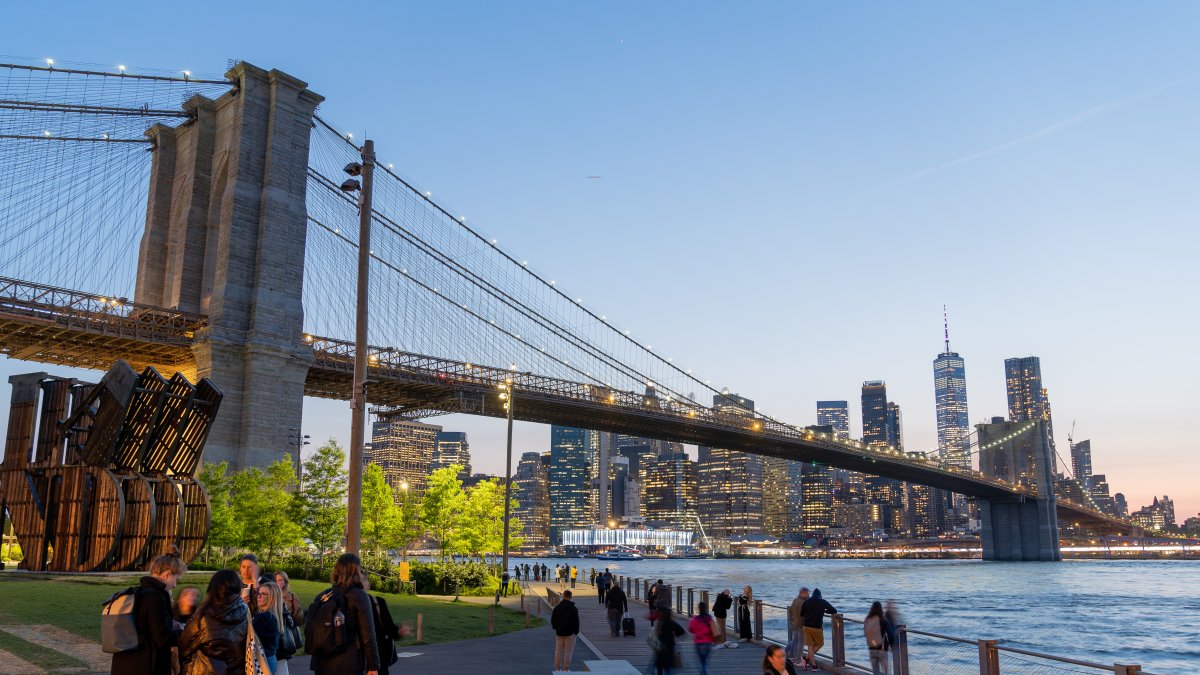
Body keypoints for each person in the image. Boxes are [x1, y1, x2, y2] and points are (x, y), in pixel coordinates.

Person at [111, 545, 186, 675]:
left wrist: (170, 625)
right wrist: (184, 633)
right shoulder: (156, 597)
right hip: (146, 666)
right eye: (176, 580)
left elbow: (146, 627)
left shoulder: (139, 592)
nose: (175, 585)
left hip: (125, 663)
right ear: (167, 574)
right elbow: (162, 638)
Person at [307, 553, 380, 675]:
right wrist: (373, 665)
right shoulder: (359, 596)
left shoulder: (323, 596)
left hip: (321, 663)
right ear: (356, 571)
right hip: (349, 663)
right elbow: (367, 634)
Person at [179, 569, 249, 675]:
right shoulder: (245, 611)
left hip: (204, 670)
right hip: (236, 670)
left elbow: (184, 644)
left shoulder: (204, 615)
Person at [364, 573, 408, 675]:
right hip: (356, 662)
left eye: (364, 579)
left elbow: (389, 629)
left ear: (368, 585)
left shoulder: (378, 602)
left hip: (379, 659)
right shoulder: (345, 603)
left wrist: (399, 631)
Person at [800, 588, 837, 670]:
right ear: (820, 596)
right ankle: (807, 659)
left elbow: (801, 614)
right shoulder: (822, 601)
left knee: (810, 645)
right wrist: (825, 611)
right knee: (820, 644)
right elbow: (834, 610)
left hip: (806, 627)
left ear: (812, 595)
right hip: (816, 627)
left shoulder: (807, 601)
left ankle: (812, 665)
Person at [253, 582, 283, 674]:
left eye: (263, 594)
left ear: (272, 597)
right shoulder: (272, 616)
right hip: (270, 658)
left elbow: (249, 637)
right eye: (258, 593)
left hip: (262, 660)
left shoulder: (265, 617)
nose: (259, 596)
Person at [551, 589, 580, 671]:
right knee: (568, 652)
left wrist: (556, 628)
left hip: (559, 632)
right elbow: (576, 621)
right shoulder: (573, 608)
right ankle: (566, 669)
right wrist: (576, 631)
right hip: (570, 633)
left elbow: (553, 620)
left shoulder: (557, 608)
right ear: (571, 597)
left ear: (563, 596)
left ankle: (557, 668)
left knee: (558, 651)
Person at [687, 601, 717, 675]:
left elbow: (691, 629)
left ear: (699, 609)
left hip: (699, 642)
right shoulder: (709, 618)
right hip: (708, 642)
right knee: (705, 660)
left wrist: (697, 631)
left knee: (701, 661)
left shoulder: (695, 619)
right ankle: (705, 671)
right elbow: (714, 630)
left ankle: (704, 672)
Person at [863, 601, 889, 675]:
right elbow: (890, 633)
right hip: (882, 649)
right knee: (886, 672)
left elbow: (865, 633)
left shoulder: (867, 619)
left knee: (875, 672)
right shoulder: (883, 620)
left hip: (871, 649)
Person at [787, 587, 811, 667]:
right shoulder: (802, 602)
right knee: (801, 643)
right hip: (800, 625)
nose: (808, 595)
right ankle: (798, 660)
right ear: (803, 593)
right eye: (807, 593)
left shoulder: (795, 600)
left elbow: (790, 610)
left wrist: (792, 620)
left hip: (794, 623)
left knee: (795, 641)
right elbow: (802, 614)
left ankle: (792, 657)